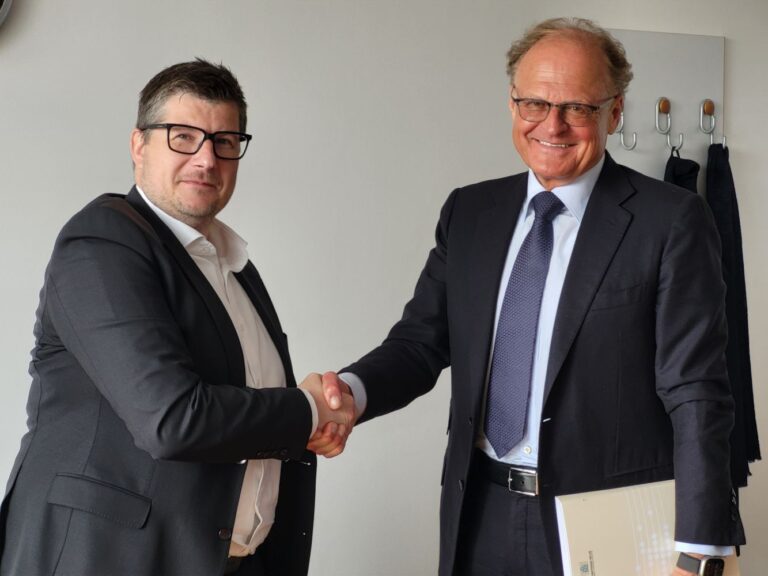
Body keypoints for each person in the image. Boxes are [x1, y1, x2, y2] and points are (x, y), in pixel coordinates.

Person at [315, 18, 745, 576]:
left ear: (614, 112)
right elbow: (420, 343)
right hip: (479, 513)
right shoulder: (470, 213)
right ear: (512, 104)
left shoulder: (671, 221)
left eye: (577, 107)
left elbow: (696, 389)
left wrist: (702, 547)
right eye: (534, 104)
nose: (552, 125)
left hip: (602, 521)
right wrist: (350, 393)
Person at [0, 59, 354, 576]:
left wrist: (307, 421)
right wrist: (307, 411)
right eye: (183, 137)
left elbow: (248, 411)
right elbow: (172, 420)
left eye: (224, 141)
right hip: (106, 560)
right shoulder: (101, 242)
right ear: (139, 145)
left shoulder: (233, 267)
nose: (206, 159)